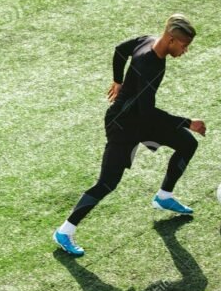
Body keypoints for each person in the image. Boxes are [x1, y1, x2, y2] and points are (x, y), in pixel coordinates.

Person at [53, 14, 206, 257]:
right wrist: (188, 122)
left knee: (187, 144)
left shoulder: (147, 41)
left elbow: (120, 50)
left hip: (139, 120)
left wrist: (118, 81)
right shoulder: (149, 66)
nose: (185, 51)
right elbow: (149, 113)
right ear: (170, 39)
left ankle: (164, 196)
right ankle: (64, 231)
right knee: (107, 183)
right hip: (123, 126)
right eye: (184, 45)